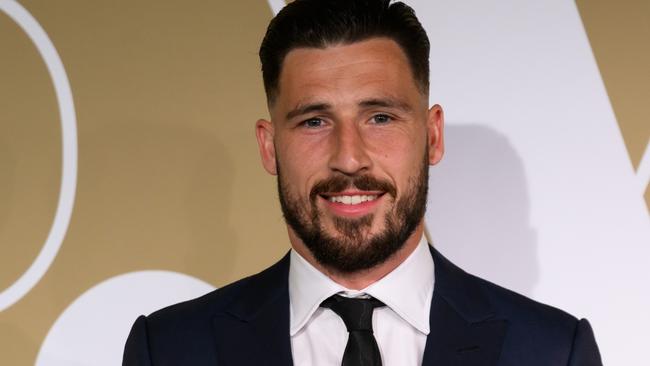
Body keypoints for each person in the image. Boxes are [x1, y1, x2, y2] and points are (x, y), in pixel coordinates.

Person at [123, 0, 602, 365]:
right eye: (314, 121)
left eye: (379, 117)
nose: (348, 158)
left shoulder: (551, 351)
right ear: (269, 147)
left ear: (432, 136)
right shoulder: (168, 349)